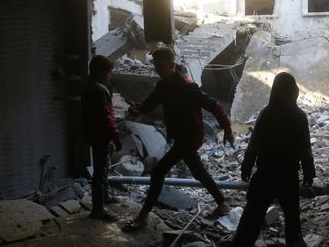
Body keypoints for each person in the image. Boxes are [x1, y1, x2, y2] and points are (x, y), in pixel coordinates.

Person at [123, 47, 235, 231]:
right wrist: (138, 108)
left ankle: (142, 216)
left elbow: (215, 106)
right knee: (198, 172)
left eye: (161, 65)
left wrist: (228, 129)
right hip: (180, 135)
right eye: (155, 65)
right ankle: (223, 204)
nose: (157, 69)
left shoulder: (187, 87)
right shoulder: (163, 85)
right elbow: (150, 103)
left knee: (158, 172)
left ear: (172, 65)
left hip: (189, 137)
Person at [225, 72, 315, 247]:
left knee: (251, 219)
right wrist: (309, 173)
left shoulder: (266, 114)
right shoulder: (299, 117)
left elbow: (254, 144)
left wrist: (246, 167)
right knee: (292, 221)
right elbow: (305, 150)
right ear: (294, 92)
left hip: (264, 175)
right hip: (288, 177)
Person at [81, 55, 122, 221]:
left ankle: (104, 198)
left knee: (103, 167)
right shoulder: (98, 90)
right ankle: (98, 209)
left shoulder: (89, 86)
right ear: (99, 71)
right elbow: (107, 117)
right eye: (108, 72)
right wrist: (116, 138)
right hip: (101, 135)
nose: (109, 75)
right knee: (100, 171)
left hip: (92, 133)